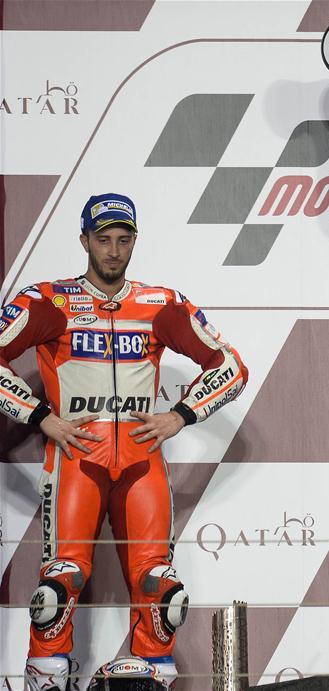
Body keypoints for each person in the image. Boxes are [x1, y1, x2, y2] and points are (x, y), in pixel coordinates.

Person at [0, 193, 249, 691]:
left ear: (135, 240)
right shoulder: (48, 300)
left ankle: (152, 680)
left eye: (123, 239)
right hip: (76, 461)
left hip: (142, 464)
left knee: (163, 593)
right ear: (84, 240)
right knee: (58, 587)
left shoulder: (161, 304)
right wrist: (39, 416)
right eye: (104, 239)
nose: (114, 251)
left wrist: (181, 415)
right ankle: (45, 681)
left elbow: (232, 367)